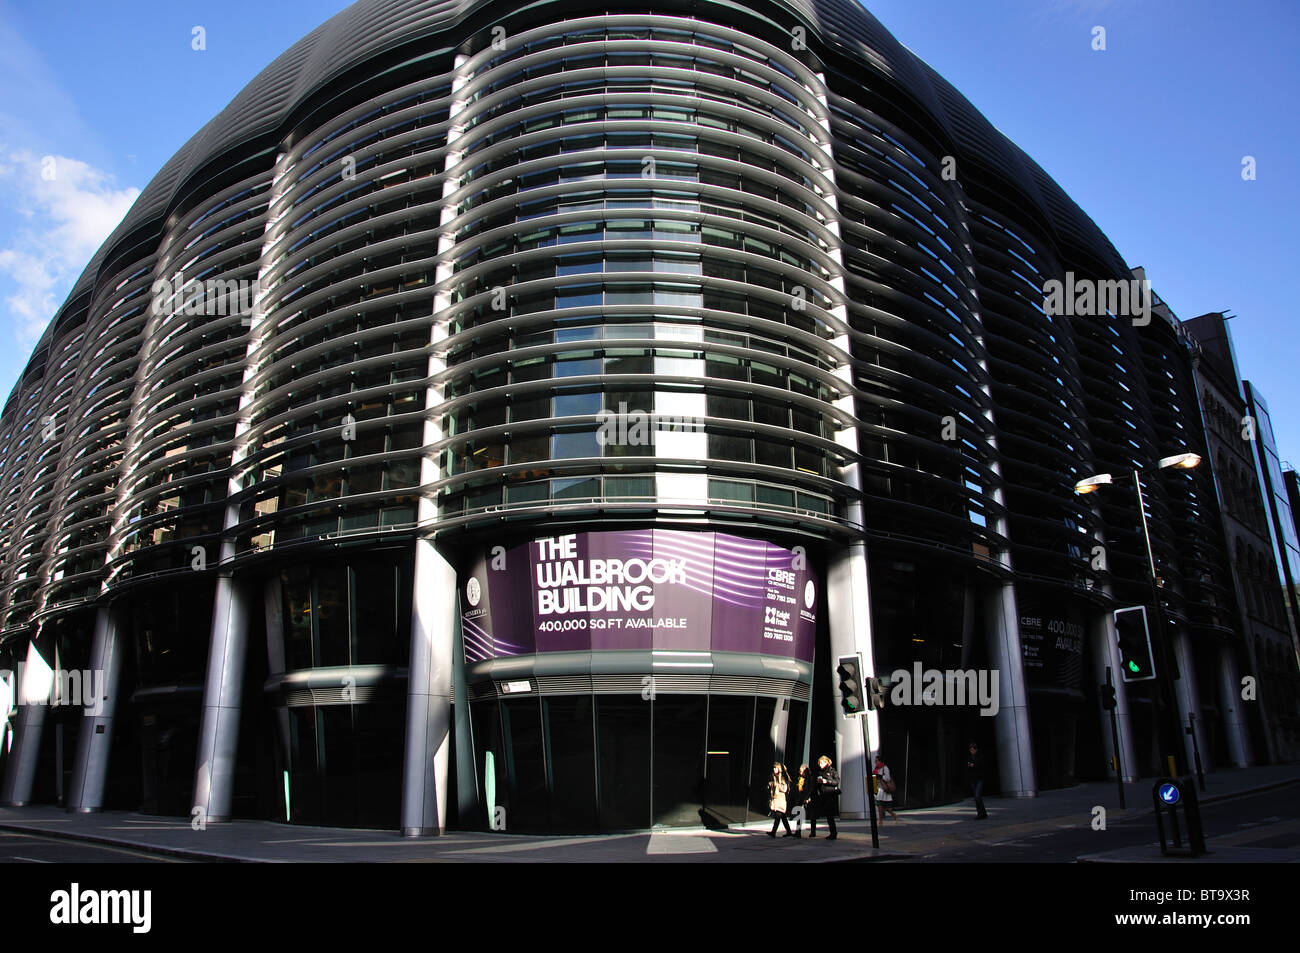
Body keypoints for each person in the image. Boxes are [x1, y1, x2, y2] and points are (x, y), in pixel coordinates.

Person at [808, 755, 840, 839]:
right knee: (824, 814)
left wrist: (827, 781)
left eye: (821, 763)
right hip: (822, 795)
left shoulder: (832, 771)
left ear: (826, 762)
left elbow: (836, 782)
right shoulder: (819, 772)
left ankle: (833, 833)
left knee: (830, 815)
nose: (820, 765)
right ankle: (829, 832)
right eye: (819, 763)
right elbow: (815, 785)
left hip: (830, 794)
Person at [766, 762, 794, 838]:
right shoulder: (772, 776)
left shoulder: (782, 778)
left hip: (780, 799)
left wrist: (776, 785)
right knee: (783, 817)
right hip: (775, 798)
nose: (774, 769)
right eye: (773, 768)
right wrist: (770, 785)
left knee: (778, 816)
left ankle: (773, 832)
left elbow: (785, 789)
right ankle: (789, 831)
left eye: (776, 768)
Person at [965, 741, 988, 819]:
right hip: (973, 779)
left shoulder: (980, 756)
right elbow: (968, 766)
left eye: (972, 750)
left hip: (979, 778)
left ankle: (981, 813)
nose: (971, 751)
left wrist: (973, 765)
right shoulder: (969, 757)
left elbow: (982, 765)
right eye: (970, 750)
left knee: (977, 796)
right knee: (976, 797)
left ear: (976, 749)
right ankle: (981, 813)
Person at [873, 754, 898, 822]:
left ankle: (893, 815)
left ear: (880, 761)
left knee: (886, 808)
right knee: (879, 805)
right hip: (879, 789)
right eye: (875, 761)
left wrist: (879, 776)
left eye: (876, 761)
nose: (875, 762)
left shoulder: (885, 768)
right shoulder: (876, 769)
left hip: (885, 789)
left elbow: (887, 778)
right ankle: (880, 820)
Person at [793, 764, 812, 837]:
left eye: (802, 771)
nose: (800, 773)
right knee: (799, 815)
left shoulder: (809, 779)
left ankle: (812, 831)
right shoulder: (800, 779)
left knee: (808, 815)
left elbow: (809, 789)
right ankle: (798, 832)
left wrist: (807, 798)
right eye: (800, 771)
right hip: (800, 798)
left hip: (805, 798)